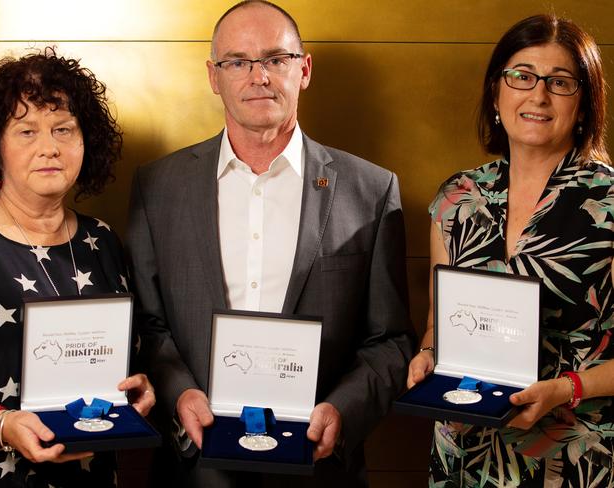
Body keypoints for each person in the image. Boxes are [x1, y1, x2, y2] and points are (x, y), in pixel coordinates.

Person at [126, 1, 413, 486]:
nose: (258, 77)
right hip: (196, 471)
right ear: (213, 77)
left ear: (304, 69)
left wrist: (341, 412)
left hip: (319, 470)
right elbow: (149, 326)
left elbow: (390, 340)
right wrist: (180, 396)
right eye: (237, 62)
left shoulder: (371, 190)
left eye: (276, 60)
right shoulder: (158, 187)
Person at [408, 14, 614, 487]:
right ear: (496, 93)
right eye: (522, 76)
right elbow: (440, 324)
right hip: (466, 451)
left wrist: (568, 388)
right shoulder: (455, 198)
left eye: (560, 82)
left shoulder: (608, 203)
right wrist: (426, 352)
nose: (537, 95)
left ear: (584, 104)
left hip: (575, 455)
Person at [0, 49, 155, 487]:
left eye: (63, 129)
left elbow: (124, 361)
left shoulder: (102, 240)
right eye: (26, 131)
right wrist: (0, 422)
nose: (49, 148)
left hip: (92, 476)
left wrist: (138, 393)